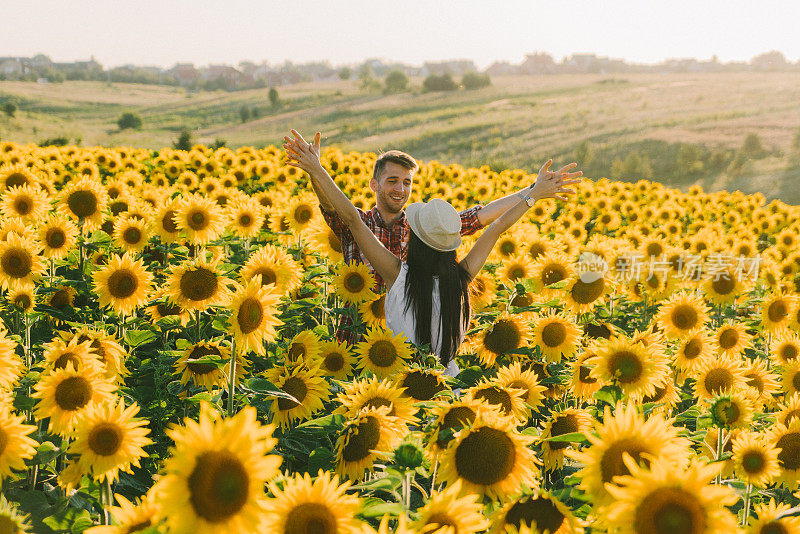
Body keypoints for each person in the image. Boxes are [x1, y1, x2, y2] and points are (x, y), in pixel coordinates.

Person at [284, 130, 582, 375]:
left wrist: (317, 168)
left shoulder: (399, 273)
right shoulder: (460, 274)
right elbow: (495, 227)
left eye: (407, 182)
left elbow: (486, 218)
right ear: (374, 184)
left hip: (396, 366)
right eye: (393, 181)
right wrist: (533, 194)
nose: (401, 188)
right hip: (365, 347)